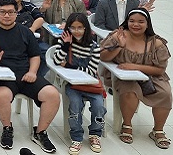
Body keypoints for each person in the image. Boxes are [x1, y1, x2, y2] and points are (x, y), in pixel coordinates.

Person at [0, 0, 60, 153]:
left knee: (52, 94)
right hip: (1, 75)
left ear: (16, 13)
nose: (7, 15)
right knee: (1, 95)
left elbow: (34, 55)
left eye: (10, 12)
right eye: (3, 12)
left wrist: (33, 72)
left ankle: (40, 132)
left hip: (25, 73)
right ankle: (7, 128)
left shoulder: (25, 31)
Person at [100, 8, 171, 149]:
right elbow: (103, 57)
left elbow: (160, 69)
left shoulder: (156, 42)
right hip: (122, 76)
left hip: (151, 76)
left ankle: (158, 130)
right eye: (132, 21)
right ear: (127, 22)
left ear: (147, 24)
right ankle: (127, 124)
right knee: (130, 90)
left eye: (140, 22)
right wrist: (119, 46)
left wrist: (135, 67)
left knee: (165, 93)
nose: (136, 25)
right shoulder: (118, 35)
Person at [52, 13, 105, 155]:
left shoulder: (94, 47)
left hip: (92, 85)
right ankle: (76, 137)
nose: (76, 31)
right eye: (73, 27)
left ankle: (95, 134)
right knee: (74, 106)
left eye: (80, 27)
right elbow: (57, 61)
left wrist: (69, 66)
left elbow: (91, 71)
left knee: (99, 107)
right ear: (68, 28)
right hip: (73, 85)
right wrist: (65, 46)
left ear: (86, 28)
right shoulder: (63, 42)